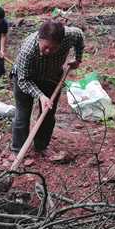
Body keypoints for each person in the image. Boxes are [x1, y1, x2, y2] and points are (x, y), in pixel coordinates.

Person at [11, 20, 84, 154]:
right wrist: (41, 95)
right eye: (45, 47)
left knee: (48, 114)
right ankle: (17, 150)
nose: (48, 51)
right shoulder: (28, 50)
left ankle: (41, 146)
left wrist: (78, 59)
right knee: (23, 113)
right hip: (27, 78)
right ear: (39, 38)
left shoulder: (69, 35)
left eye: (53, 48)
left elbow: (79, 35)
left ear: (61, 42)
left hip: (52, 77)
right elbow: (23, 81)